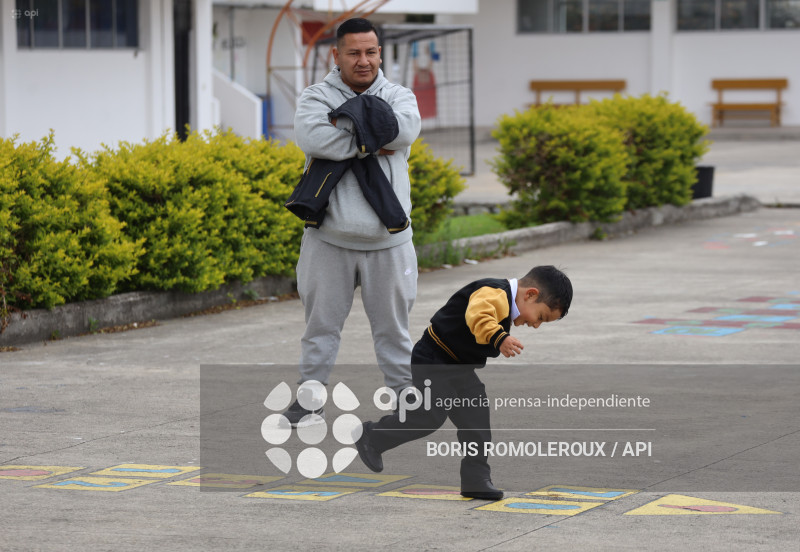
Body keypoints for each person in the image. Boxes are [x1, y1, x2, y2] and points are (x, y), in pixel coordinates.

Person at [284, 18, 422, 428]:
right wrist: (371, 141)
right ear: (336, 55)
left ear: (380, 52)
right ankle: (309, 403)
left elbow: (404, 131)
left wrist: (344, 128)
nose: (364, 61)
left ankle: (404, 402)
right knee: (319, 329)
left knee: (395, 332)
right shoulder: (314, 96)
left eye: (371, 52)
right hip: (328, 238)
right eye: (354, 53)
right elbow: (313, 139)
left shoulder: (400, 95)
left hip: (390, 240)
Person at [355, 265, 573, 500]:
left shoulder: (506, 301)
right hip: (434, 358)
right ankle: (372, 436)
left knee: (476, 421)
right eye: (540, 317)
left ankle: (475, 480)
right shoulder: (493, 292)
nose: (536, 325)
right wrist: (500, 337)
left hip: (459, 368)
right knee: (427, 417)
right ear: (530, 294)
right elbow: (478, 316)